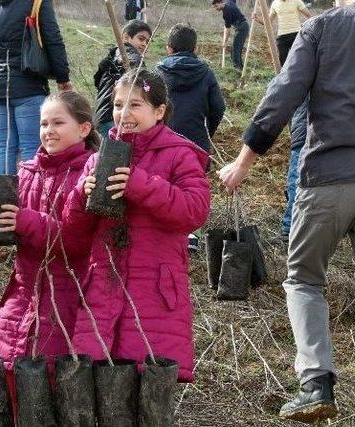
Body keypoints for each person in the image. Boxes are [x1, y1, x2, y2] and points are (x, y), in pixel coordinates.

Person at [218, 1, 355, 422]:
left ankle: (315, 384)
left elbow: (283, 94)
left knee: (304, 279)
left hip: (328, 176)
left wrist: (245, 160)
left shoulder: (322, 29)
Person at [63, 69, 210, 382]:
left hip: (153, 290)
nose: (123, 114)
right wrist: (81, 195)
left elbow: (195, 211)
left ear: (159, 112)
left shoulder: (179, 154)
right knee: (98, 384)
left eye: (135, 105)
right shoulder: (99, 157)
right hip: (103, 285)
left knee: (146, 385)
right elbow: (74, 230)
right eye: (118, 105)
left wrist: (140, 184)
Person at [0, 91, 98, 416]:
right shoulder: (28, 171)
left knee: (52, 383)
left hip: (66, 298)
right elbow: (6, 225)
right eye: (44, 123)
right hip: (21, 292)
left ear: (84, 129)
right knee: (6, 370)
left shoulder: (88, 175)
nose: (48, 130)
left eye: (58, 122)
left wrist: (24, 220)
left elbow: (75, 242)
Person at [0, 0, 72, 175]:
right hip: (29, 85)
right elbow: (52, 38)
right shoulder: (37, 2)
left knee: (4, 147)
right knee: (31, 147)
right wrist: (63, 78)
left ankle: (3, 199)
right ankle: (28, 199)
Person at [157, 23, 225, 252]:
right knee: (190, 188)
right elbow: (218, 107)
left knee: (162, 183)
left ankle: (163, 232)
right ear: (195, 47)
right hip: (196, 141)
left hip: (162, 139)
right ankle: (188, 235)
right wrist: (207, 133)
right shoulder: (205, 73)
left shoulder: (157, 73)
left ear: (168, 48)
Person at [253, 0, 311, 242]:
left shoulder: (299, 83)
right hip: (286, 39)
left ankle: (289, 229)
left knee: (296, 180)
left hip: (304, 136)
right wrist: (259, 16)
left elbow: (279, 102)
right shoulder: (276, 3)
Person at [94, 19, 151, 139]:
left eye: (147, 41)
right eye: (141, 39)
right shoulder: (129, 53)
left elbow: (97, 81)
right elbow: (132, 61)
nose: (144, 44)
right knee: (118, 156)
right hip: (115, 117)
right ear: (125, 37)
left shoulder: (111, 57)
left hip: (102, 116)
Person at [212, 0, 249, 70]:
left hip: (241, 28)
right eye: (214, 7)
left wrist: (225, 42)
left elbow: (228, 30)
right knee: (237, 48)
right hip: (243, 26)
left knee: (235, 48)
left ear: (220, 3)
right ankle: (240, 67)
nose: (216, 9)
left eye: (216, 6)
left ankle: (237, 68)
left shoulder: (226, 12)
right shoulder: (229, 2)